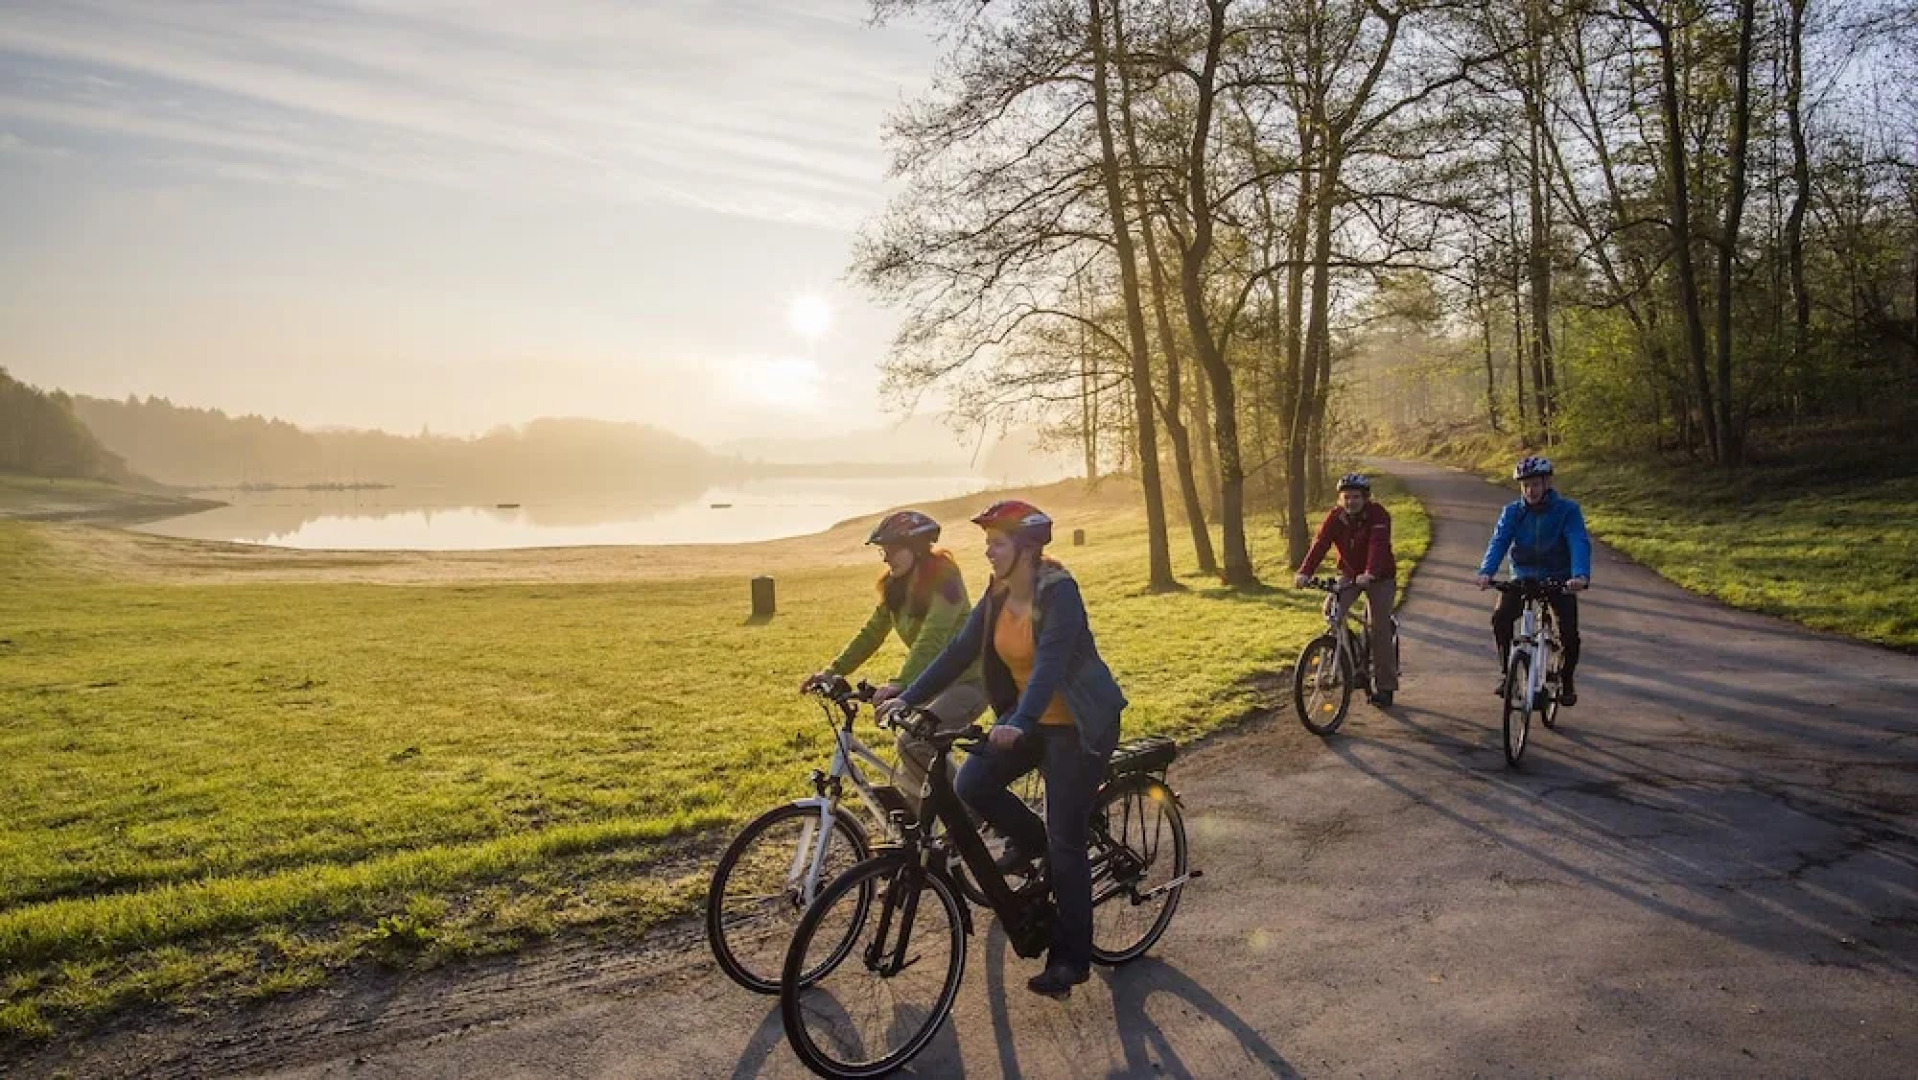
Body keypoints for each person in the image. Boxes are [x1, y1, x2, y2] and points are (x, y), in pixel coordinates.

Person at [879, 499, 1127, 1000]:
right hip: (1028, 724)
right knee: (971, 783)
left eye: (997, 543)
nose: (988, 552)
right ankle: (1037, 848)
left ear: (1028, 548)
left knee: (1067, 840)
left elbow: (1051, 665)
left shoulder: (1060, 593)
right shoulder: (996, 594)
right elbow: (959, 652)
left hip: (1077, 727)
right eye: (988, 543)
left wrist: (1019, 722)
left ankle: (1072, 957)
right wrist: (907, 695)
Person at [804, 510, 985, 809]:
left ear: (915, 547)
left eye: (890, 550)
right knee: (911, 768)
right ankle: (920, 843)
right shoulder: (896, 585)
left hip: (971, 681)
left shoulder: (946, 578)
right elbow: (872, 632)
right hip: (933, 682)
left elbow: (934, 636)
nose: (885, 558)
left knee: (914, 744)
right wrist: (832, 672)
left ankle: (972, 813)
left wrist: (901, 684)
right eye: (882, 551)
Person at [1474, 456, 1592, 705]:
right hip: (1524, 576)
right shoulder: (1512, 512)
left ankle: (1566, 679)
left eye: (1535, 484)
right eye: (1525, 486)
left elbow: (1577, 541)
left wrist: (1579, 575)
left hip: (1559, 578)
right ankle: (1508, 674)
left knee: (1569, 635)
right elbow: (1499, 541)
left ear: (1547, 483)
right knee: (1501, 617)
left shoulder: (1567, 511)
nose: (1530, 491)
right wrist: (1487, 572)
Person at [1293, 472, 1400, 706]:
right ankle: (1352, 656)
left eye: (1356, 497)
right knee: (1331, 611)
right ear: (1340, 499)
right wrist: (1305, 572)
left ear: (1365, 498)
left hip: (1379, 576)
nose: (1350, 501)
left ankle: (1385, 687)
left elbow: (1378, 545)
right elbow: (1320, 544)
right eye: (1346, 497)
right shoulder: (1335, 517)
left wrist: (1370, 572)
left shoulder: (1378, 515)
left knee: (1379, 628)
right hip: (1350, 574)